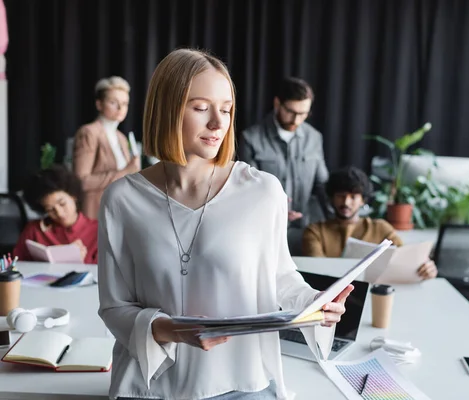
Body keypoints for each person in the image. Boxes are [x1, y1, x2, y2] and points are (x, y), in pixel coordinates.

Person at [97, 49, 352, 400]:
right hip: (150, 387)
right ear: (166, 108)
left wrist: (315, 302)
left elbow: (279, 276)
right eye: (201, 108)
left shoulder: (261, 191)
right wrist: (167, 329)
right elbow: (114, 306)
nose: (219, 123)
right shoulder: (122, 199)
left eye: (227, 109)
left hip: (242, 384)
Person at [240, 77, 329, 255]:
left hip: (305, 231)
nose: (296, 120)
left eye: (303, 114)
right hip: (264, 232)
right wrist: (277, 208)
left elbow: (322, 185)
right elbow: (246, 190)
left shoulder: (314, 138)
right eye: (291, 111)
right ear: (277, 103)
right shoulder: (250, 138)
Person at [302, 166, 437, 280]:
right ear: (332, 197)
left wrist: (425, 268)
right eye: (341, 196)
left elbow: (406, 259)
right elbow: (316, 270)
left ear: (363, 200)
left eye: (353, 197)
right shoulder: (315, 231)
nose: (346, 202)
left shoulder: (380, 228)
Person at [73, 76, 141, 219]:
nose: (121, 108)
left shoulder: (121, 138)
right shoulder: (88, 133)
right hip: (95, 213)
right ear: (99, 104)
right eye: (113, 102)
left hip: (120, 211)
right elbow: (82, 181)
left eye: (125, 103)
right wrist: (125, 171)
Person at [13, 165, 98, 264]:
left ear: (73, 196)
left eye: (62, 204)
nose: (59, 213)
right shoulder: (34, 230)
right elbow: (16, 265)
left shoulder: (98, 231)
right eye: (50, 209)